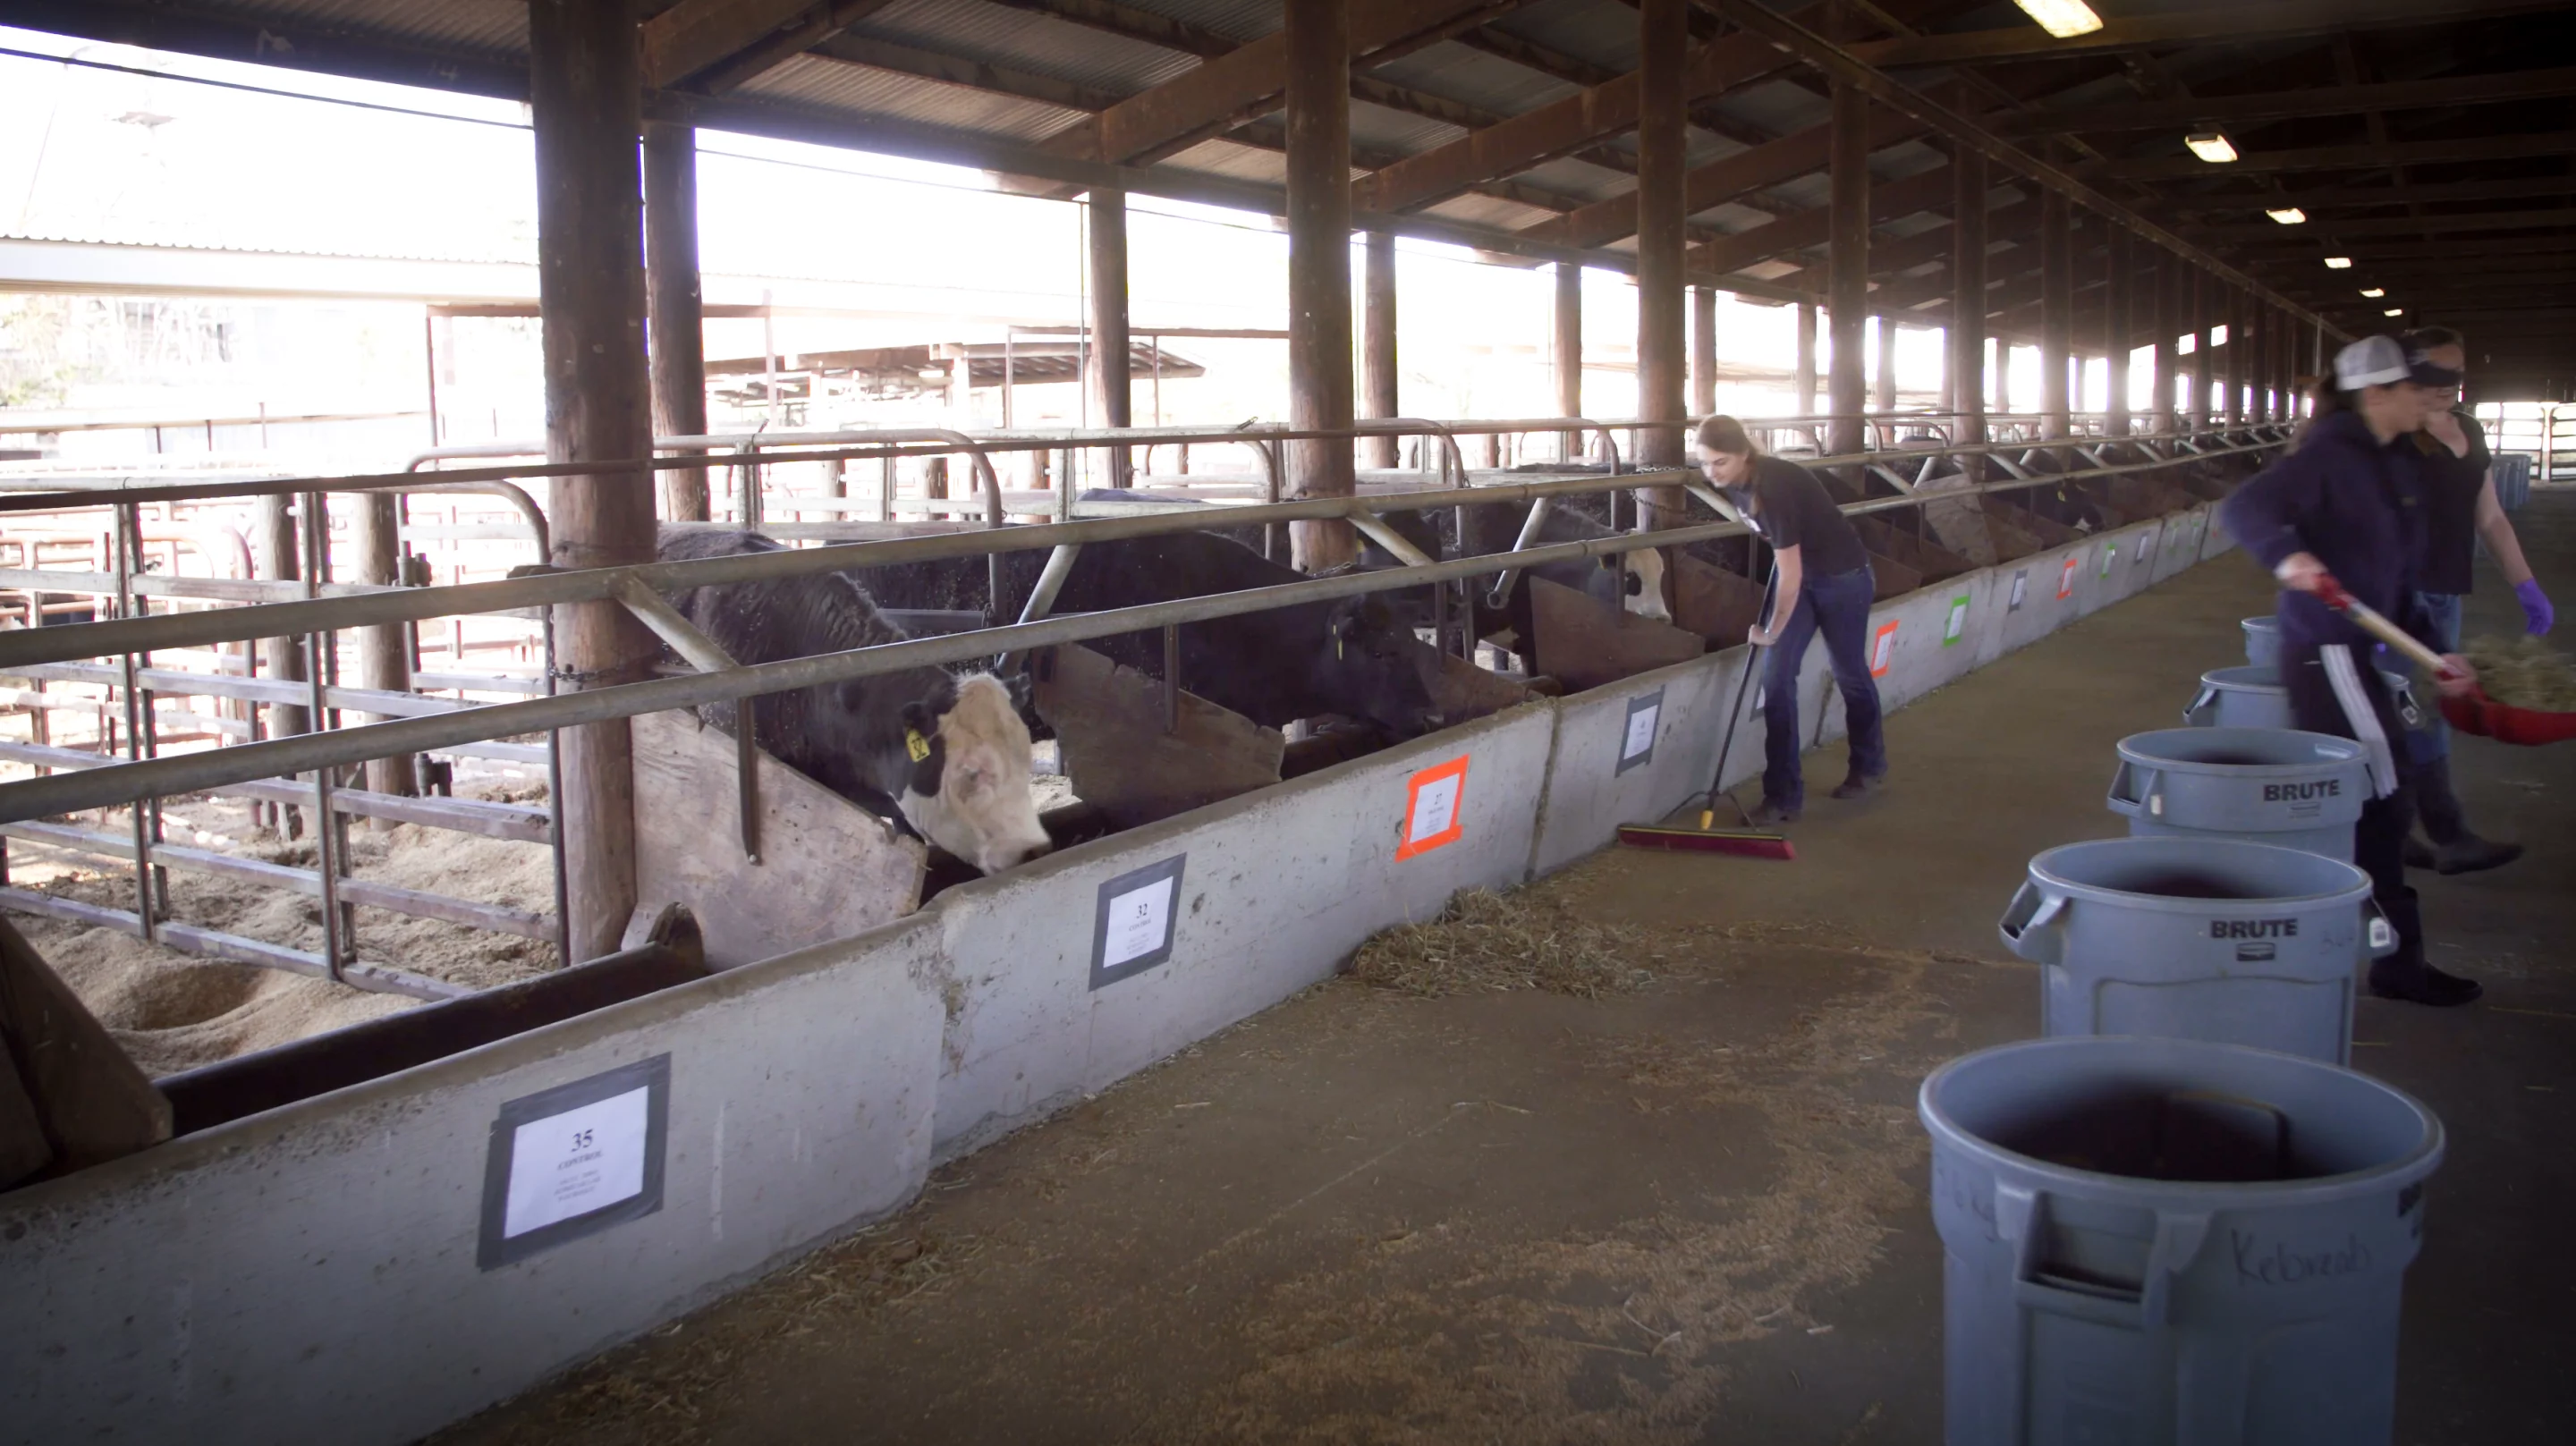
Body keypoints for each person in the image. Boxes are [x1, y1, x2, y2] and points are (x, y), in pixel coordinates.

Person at [2221, 335, 2485, 1007]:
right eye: (2413, 389)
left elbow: (2392, 577)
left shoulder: (2393, 463)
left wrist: (2433, 646)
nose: (2427, 399)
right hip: (2327, 649)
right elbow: (2247, 508)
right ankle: (2393, 958)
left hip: (2361, 648)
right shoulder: (2332, 456)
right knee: (2384, 794)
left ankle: (2381, 946)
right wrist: (2289, 558)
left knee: (2379, 796)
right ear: (2377, 394)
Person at [2398, 325, 2552, 875]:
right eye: (2435, 374)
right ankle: (2445, 833)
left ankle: (2395, 833)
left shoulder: (2468, 429)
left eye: (2456, 375)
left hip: (2445, 591)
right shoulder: (2391, 434)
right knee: (2413, 711)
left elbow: (2489, 517)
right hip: (2396, 594)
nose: (2448, 386)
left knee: (2420, 709)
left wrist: (2526, 585)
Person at [1696, 415, 1885, 824]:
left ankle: (1868, 766)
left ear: (1744, 453)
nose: (1712, 473)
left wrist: (1771, 630)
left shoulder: (1774, 486)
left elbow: (1792, 572)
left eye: (1721, 463)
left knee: (1848, 671)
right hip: (1799, 577)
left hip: (1842, 580)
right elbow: (1786, 557)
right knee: (1776, 680)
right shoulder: (1738, 486)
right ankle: (1782, 795)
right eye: (1705, 463)